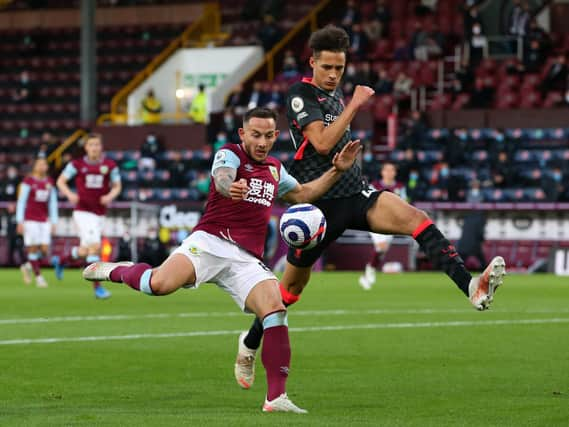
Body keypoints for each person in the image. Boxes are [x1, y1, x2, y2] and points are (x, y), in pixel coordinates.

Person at [234, 24, 507, 390]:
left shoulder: (336, 95)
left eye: (339, 69)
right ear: (312, 62)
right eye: (327, 67)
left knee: (417, 219)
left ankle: (471, 286)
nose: (333, 75)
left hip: (355, 194)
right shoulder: (301, 94)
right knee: (289, 292)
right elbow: (320, 142)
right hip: (317, 207)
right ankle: (250, 343)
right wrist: (356, 104)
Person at [81, 107, 361, 413]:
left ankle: (276, 398)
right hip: (210, 242)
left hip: (245, 259)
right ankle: (114, 270)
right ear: (243, 134)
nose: (262, 142)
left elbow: (305, 194)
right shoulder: (230, 154)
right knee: (157, 284)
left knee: (276, 310)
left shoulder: (274, 169)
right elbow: (222, 177)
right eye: (255, 135)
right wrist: (231, 187)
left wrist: (338, 170)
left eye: (268, 136)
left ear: (275, 136)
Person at [54, 133, 122, 299]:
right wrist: (69, 194)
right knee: (95, 247)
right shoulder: (76, 164)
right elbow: (60, 181)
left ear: (101, 147)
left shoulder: (109, 165)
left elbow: (117, 186)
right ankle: (98, 288)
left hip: (99, 213)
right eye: (91, 145)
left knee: (86, 250)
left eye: (97, 145)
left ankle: (62, 260)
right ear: (86, 148)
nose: (94, 148)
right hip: (83, 212)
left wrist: (110, 196)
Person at [358, 162, 407, 290]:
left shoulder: (400, 187)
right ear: (382, 172)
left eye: (392, 170)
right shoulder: (375, 186)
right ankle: (370, 270)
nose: (389, 172)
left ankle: (370, 269)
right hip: (376, 219)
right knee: (381, 246)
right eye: (387, 170)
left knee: (382, 251)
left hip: (391, 222)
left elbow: (405, 204)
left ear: (395, 172)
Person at [15, 157, 58, 287]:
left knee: (45, 250)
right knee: (33, 249)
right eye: (39, 164)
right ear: (34, 167)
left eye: (44, 164)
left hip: (44, 220)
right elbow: (21, 202)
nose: (42, 167)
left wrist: (54, 221)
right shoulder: (28, 182)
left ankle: (27, 266)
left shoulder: (50, 182)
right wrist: (20, 221)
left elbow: (52, 203)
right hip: (30, 220)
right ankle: (39, 277)